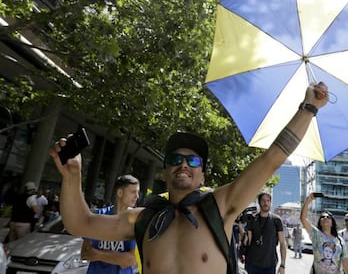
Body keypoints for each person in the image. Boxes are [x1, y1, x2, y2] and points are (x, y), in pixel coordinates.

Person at [49, 82, 328, 274]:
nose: (183, 164)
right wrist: (71, 177)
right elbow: (79, 223)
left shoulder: (220, 206)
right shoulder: (142, 219)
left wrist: (308, 109)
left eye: (193, 160)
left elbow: (272, 159)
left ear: (202, 173)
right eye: (175, 159)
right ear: (164, 171)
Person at [81, 175, 140, 274]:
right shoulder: (99, 216)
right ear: (120, 193)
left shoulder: (136, 221)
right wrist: (118, 258)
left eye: (137, 192)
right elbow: (85, 253)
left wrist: (98, 254)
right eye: (133, 192)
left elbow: (130, 260)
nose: (137, 196)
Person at [300, 193, 348, 274]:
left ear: (332, 223)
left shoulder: (340, 241)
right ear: (320, 223)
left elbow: (345, 263)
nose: (325, 218)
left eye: (328, 217)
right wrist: (307, 201)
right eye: (322, 217)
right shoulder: (316, 234)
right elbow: (303, 218)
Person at [244, 192, 286, 274]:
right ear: (259, 202)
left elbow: (282, 243)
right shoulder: (252, 219)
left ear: (271, 202)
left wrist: (282, 265)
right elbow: (248, 241)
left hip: (269, 266)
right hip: (252, 264)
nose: (265, 203)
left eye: (268, 200)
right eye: (263, 200)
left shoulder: (276, 220)